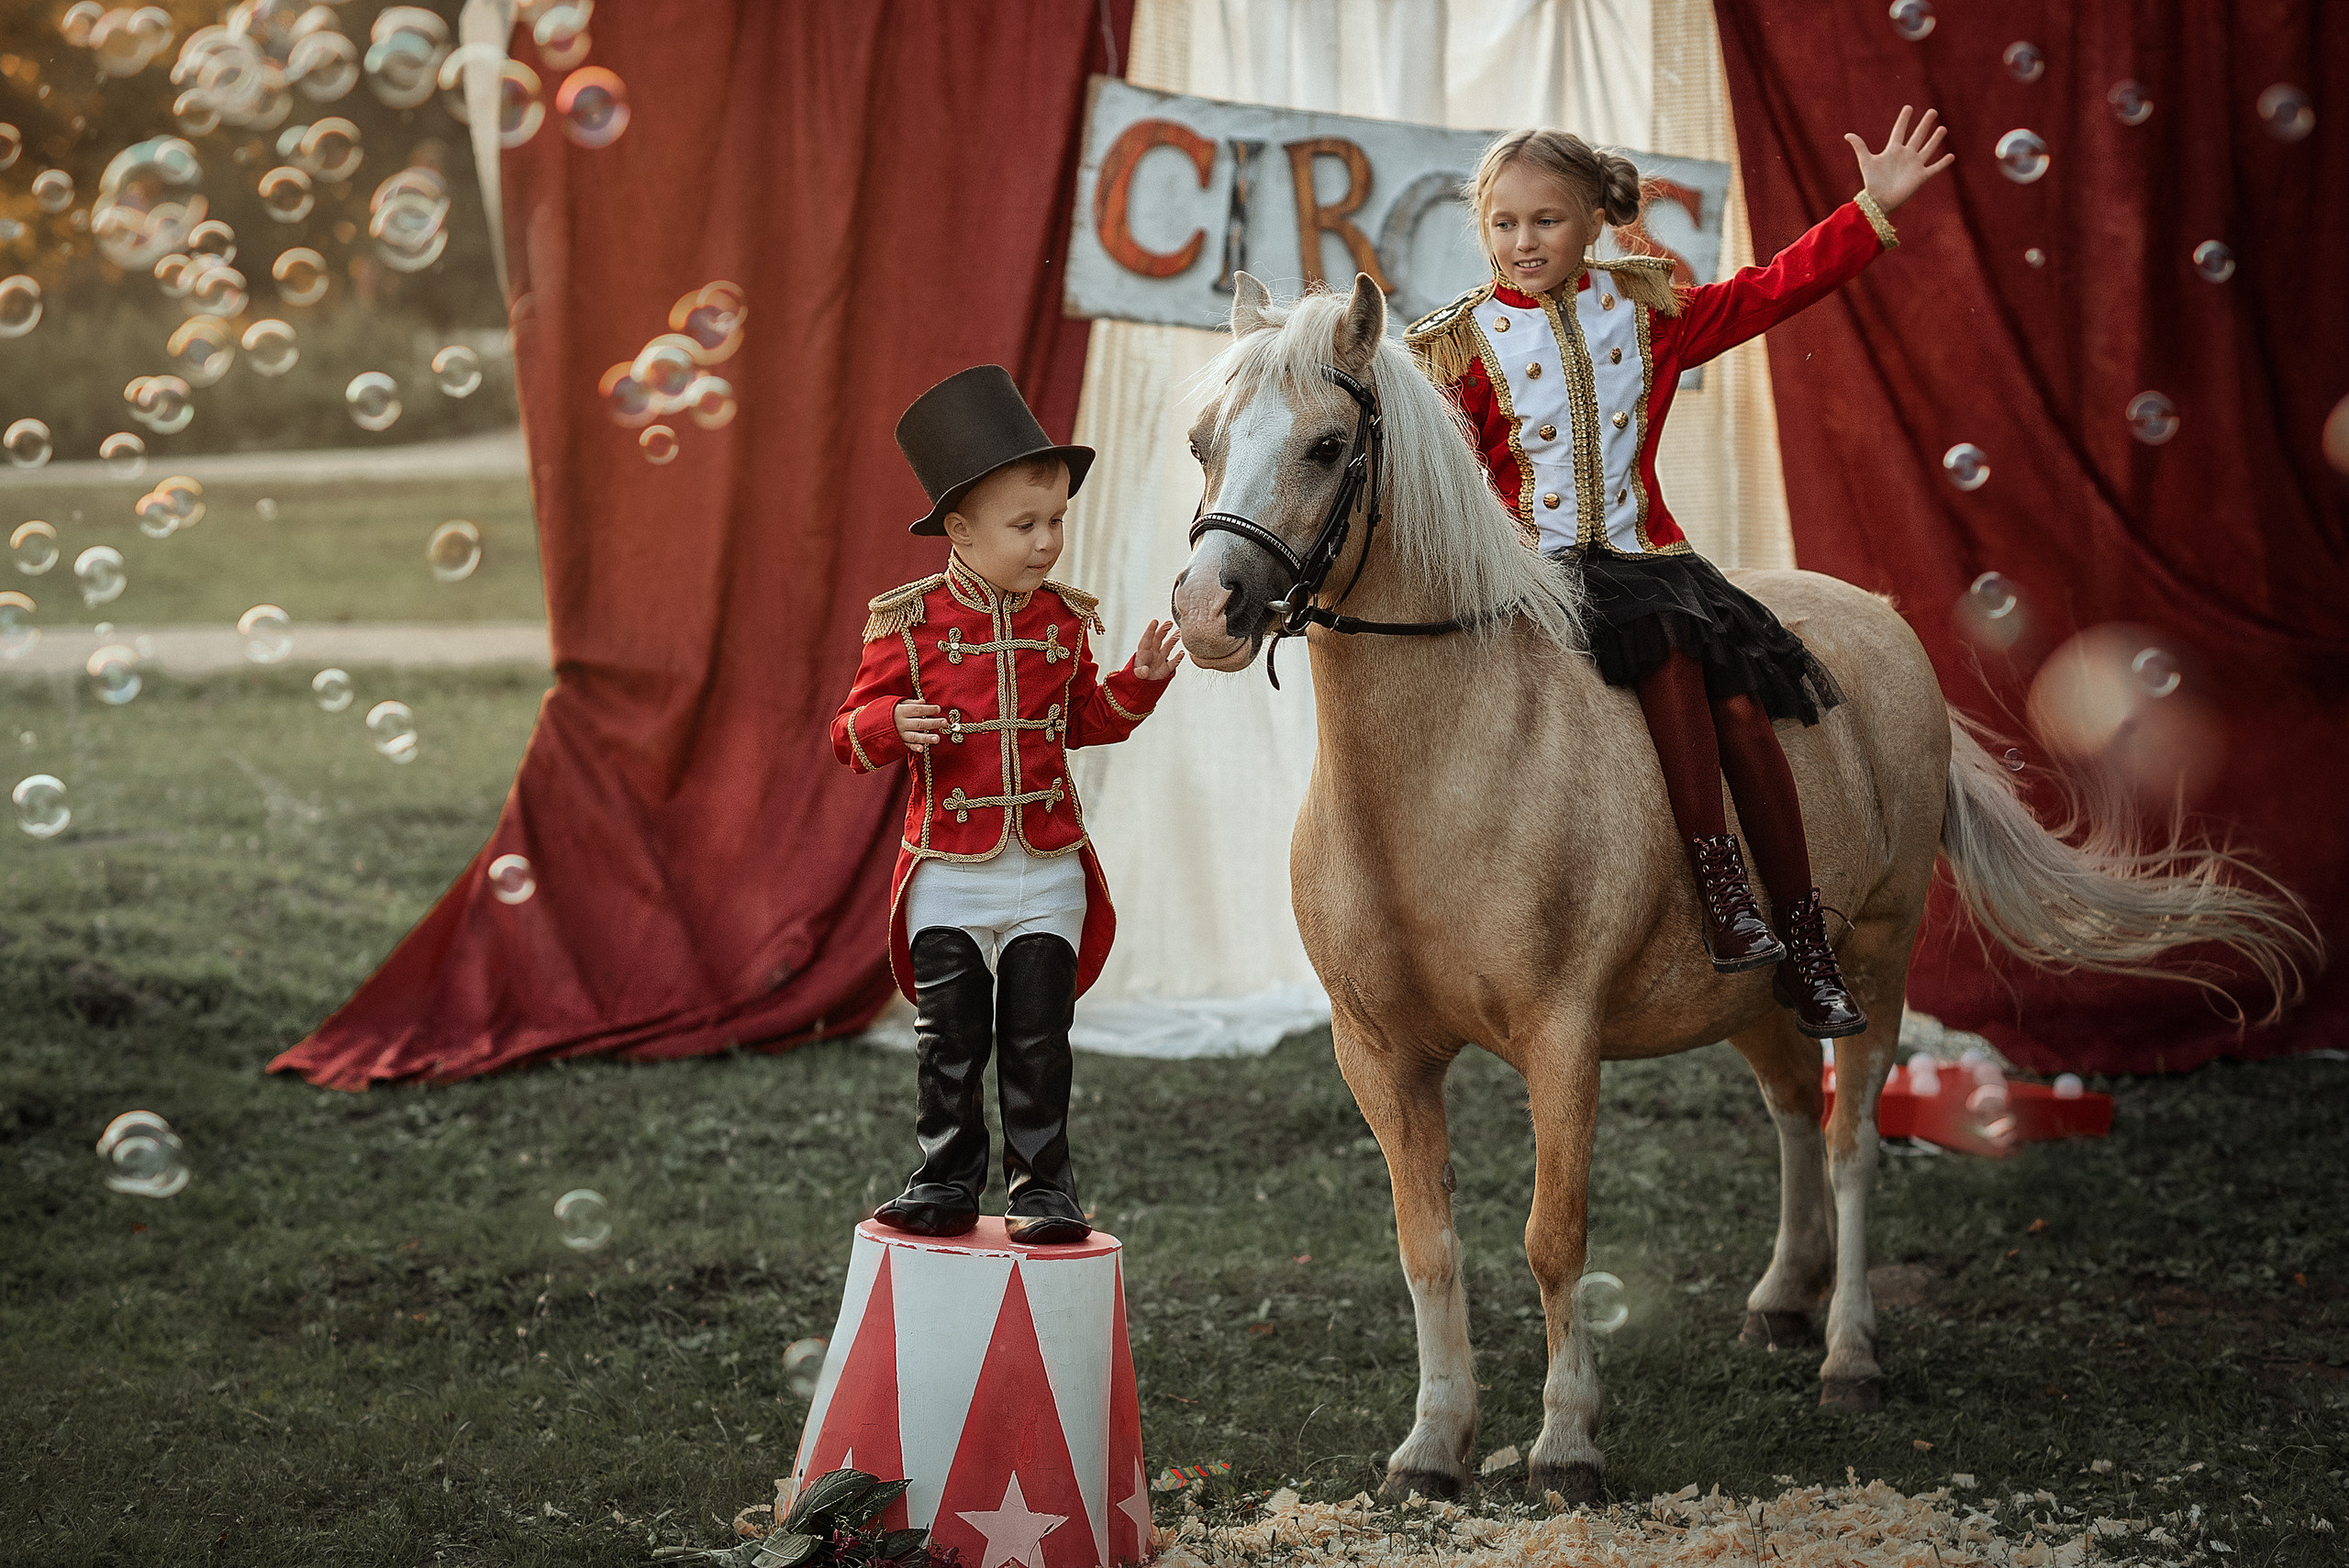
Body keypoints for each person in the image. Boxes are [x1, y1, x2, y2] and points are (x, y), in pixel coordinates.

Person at [1405, 109, 1953, 1038]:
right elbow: (1425, 471)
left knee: (1740, 704)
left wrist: (1869, 209)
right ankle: (1706, 886)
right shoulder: (1455, 346)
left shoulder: (1647, 310)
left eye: (1545, 220)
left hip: (1648, 562)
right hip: (1531, 574)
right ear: (1482, 228)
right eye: (1503, 223)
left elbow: (1777, 288)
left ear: (1591, 224)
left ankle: (1800, 936)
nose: (1522, 240)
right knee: (1659, 651)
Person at [830, 365, 1183, 1243]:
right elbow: (845, 732)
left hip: (1049, 868)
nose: (1046, 542)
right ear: (960, 529)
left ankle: (1043, 1189)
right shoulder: (905, 623)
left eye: (1056, 521)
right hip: (948, 869)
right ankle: (943, 1181)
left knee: (1038, 1043)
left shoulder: (1063, 620)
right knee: (947, 1044)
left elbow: (1084, 720)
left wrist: (1136, 685)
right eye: (1024, 524)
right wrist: (888, 720)